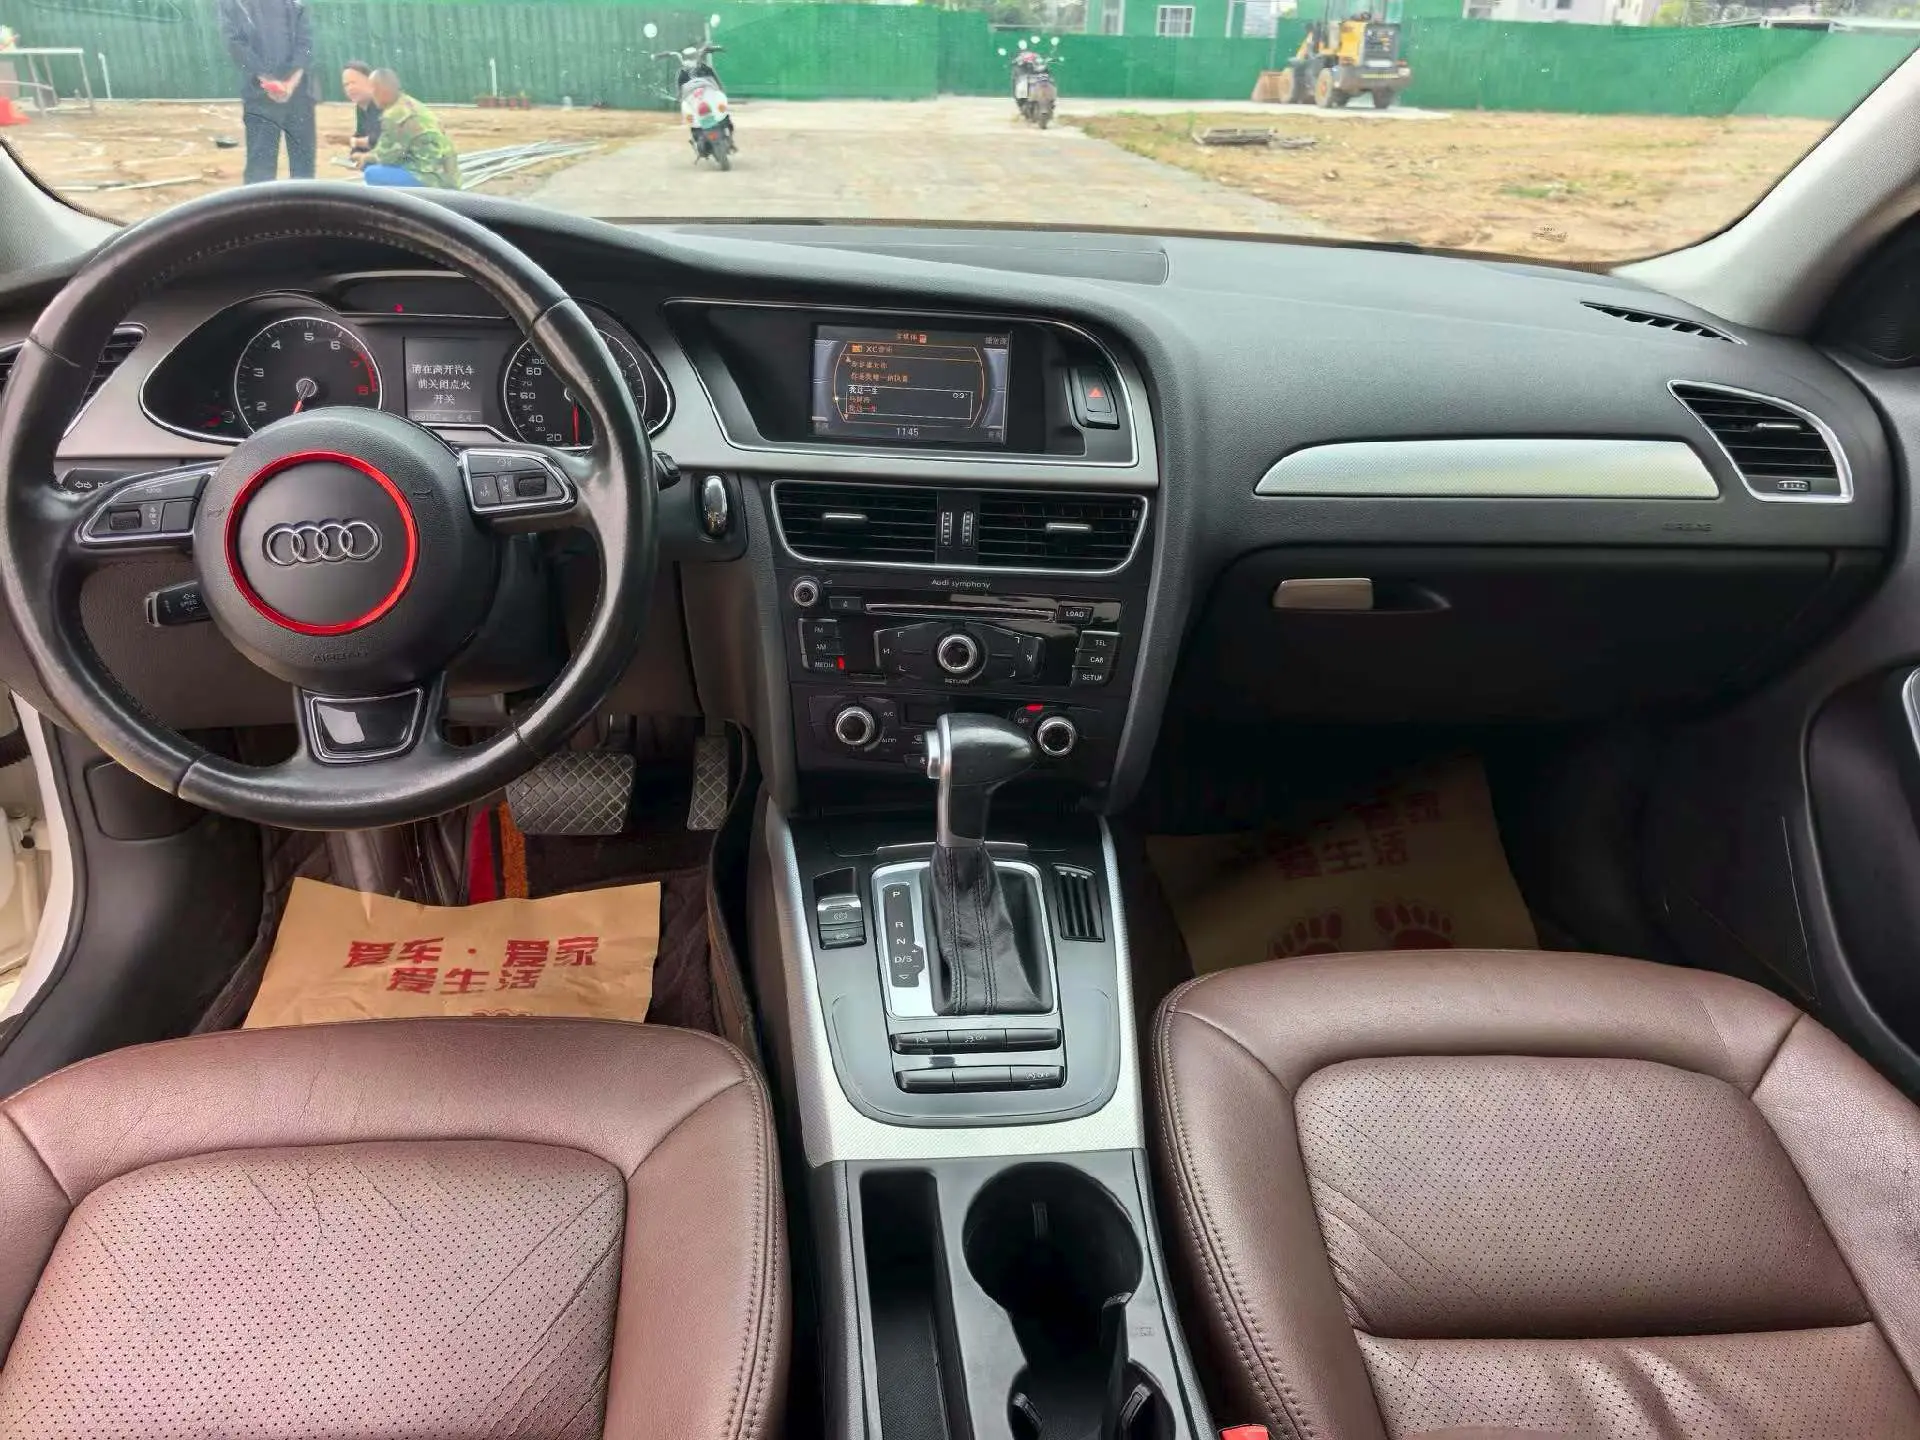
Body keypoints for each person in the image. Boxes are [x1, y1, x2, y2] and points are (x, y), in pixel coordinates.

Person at [216, 0, 314, 184]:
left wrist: (291, 83)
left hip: (299, 93)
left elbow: (306, 41)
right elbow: (235, 44)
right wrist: (267, 79)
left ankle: (303, 204)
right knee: (260, 171)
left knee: (303, 170)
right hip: (260, 94)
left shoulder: (294, 3)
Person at [358, 68, 459, 189]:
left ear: (382, 90)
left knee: (370, 172)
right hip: (449, 175)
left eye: (373, 90)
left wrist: (365, 157)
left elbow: (386, 157)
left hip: (431, 179)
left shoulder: (394, 115)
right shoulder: (410, 103)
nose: (372, 96)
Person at [341, 59, 381, 160]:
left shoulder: (383, 102)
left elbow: (380, 140)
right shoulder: (361, 107)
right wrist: (354, 153)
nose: (350, 88)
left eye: (354, 83)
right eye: (346, 85)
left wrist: (353, 142)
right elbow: (360, 134)